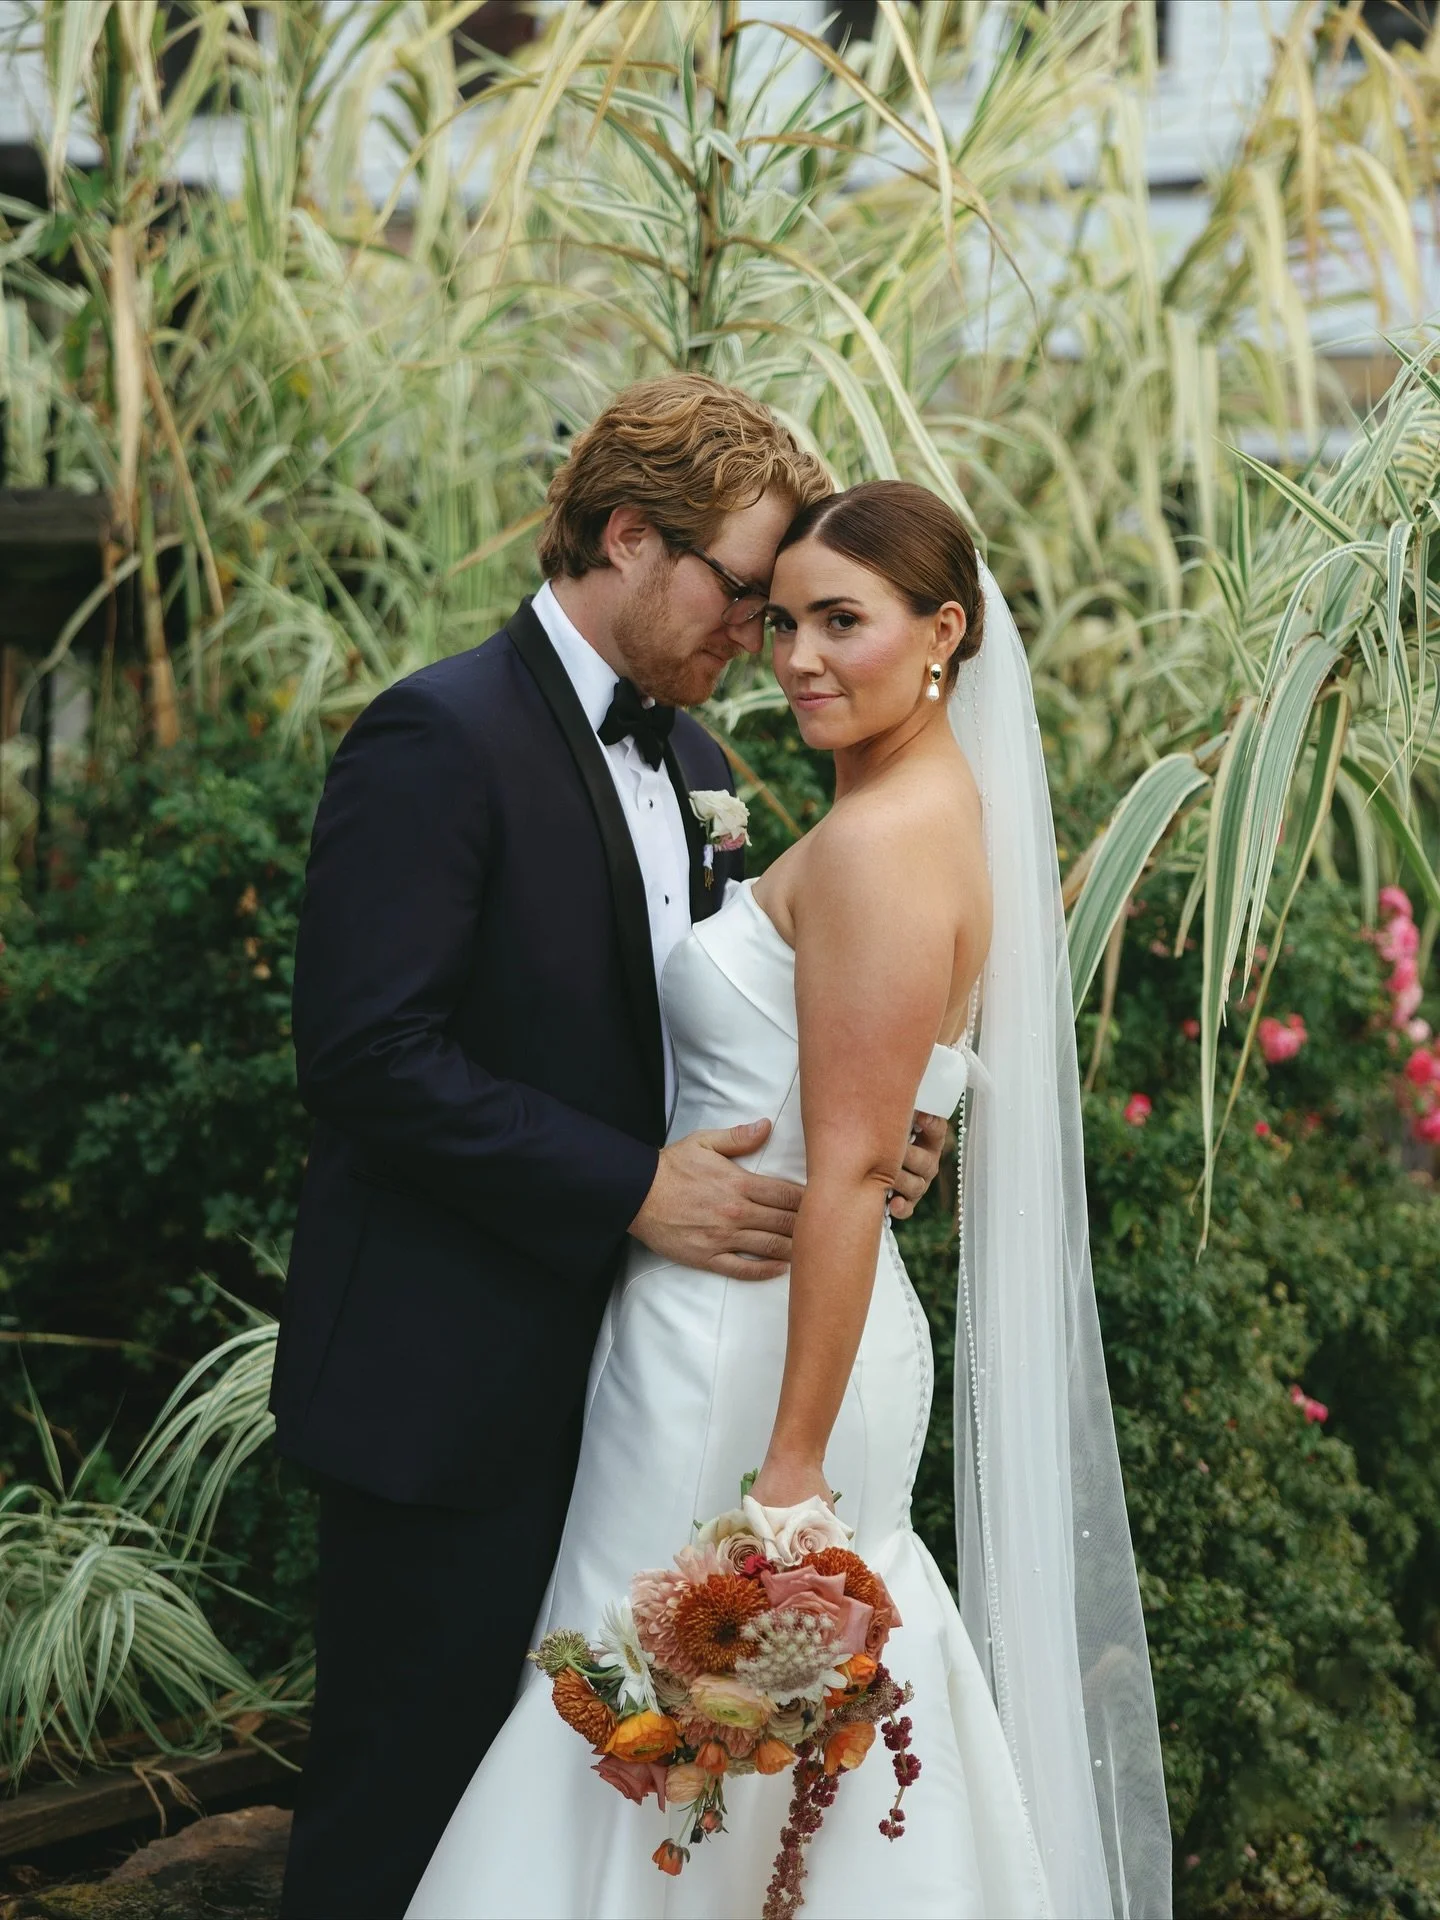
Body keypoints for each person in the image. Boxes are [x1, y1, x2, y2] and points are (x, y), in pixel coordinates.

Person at [407, 482, 1173, 1920]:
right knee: (720, 1742)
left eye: (845, 622)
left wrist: (792, 1473)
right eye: (783, 621)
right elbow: (913, 1097)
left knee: (667, 1724)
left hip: (750, 1352)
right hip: (761, 1317)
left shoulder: (884, 843)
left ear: (943, 632)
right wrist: (909, 1132)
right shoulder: (931, 807)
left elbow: (851, 1179)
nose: (801, 656)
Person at [271, 381, 948, 1920]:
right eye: (741, 594)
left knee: (595, 1815)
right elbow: (365, 1053)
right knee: (404, 1810)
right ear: (630, 537)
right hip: (444, 1388)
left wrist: (881, 1143)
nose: (763, 645)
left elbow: (718, 1026)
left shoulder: (699, 761)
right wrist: (633, 1185)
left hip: (639, 1390)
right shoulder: (438, 734)